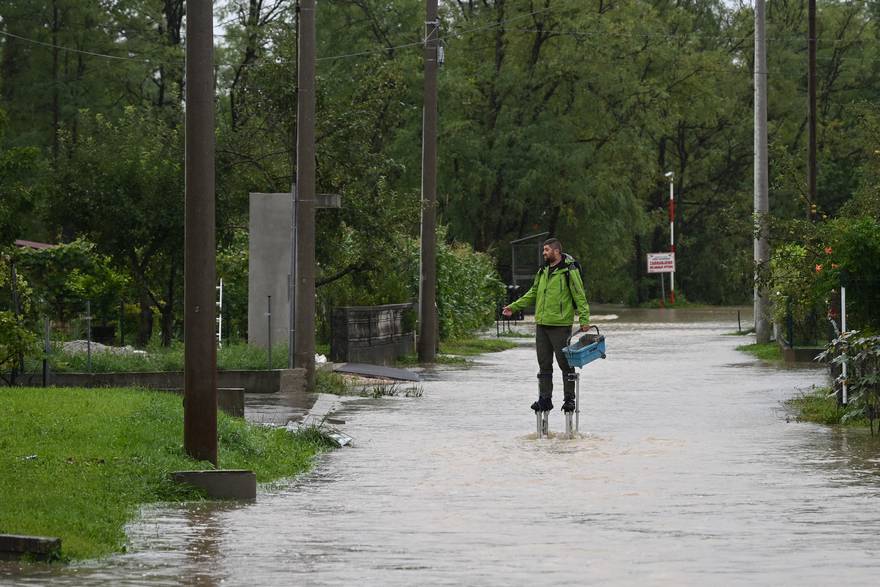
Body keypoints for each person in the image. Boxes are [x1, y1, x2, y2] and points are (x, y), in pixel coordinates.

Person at [502, 238, 590, 413]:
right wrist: (514, 306)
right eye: (543, 250)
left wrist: (584, 319)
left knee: (565, 364)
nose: (544, 253)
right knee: (544, 364)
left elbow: (579, 294)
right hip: (542, 324)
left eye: (547, 250)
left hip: (560, 324)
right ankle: (545, 399)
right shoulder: (542, 271)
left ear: (556, 251)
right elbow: (533, 292)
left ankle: (569, 399)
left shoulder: (568, 270)